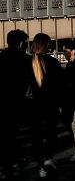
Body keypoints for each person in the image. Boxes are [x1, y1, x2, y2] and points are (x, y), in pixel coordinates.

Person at [26, 33, 64, 178]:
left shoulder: (27, 62)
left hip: (32, 105)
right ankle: (49, 158)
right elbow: (61, 85)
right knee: (50, 132)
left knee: (36, 135)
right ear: (47, 45)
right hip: (50, 104)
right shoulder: (53, 63)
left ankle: (40, 164)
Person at [0, 30, 30, 178]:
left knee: (6, 133)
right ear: (20, 43)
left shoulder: (1, 57)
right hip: (17, 101)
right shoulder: (25, 59)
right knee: (12, 133)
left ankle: (7, 163)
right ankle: (13, 161)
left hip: (2, 101)